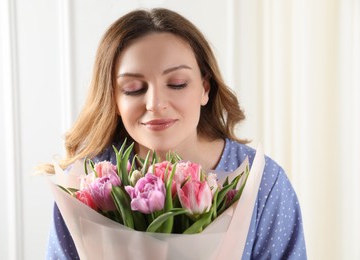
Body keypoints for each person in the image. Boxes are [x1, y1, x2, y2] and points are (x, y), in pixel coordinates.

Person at [45, 8, 307, 259]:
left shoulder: (263, 182)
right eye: (134, 88)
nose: (155, 103)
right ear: (113, 99)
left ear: (205, 88)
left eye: (177, 84)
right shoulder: (86, 185)